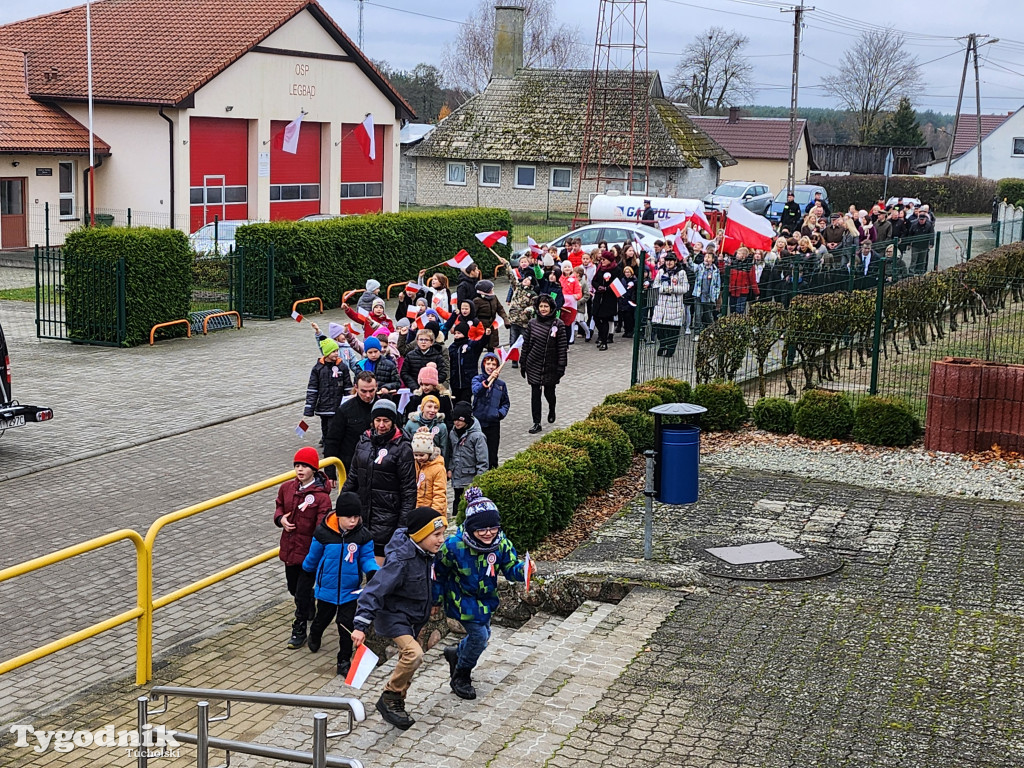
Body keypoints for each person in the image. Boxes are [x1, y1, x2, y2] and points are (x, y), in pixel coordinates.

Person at [351, 506, 448, 730]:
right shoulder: (401, 561)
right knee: (414, 654)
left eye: (442, 534)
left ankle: (398, 702)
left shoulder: (428, 553)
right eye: (436, 535)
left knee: (410, 662)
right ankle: (389, 696)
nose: (441, 540)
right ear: (420, 536)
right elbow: (373, 590)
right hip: (394, 617)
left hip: (414, 618)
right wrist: (360, 625)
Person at [435, 487, 533, 700]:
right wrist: (435, 599)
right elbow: (438, 573)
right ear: (470, 528)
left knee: (484, 636)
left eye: (493, 528)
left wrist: (524, 570)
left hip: (486, 601)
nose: (488, 533)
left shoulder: (501, 544)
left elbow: (510, 568)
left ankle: (456, 653)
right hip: (461, 599)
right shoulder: (454, 546)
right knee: (479, 637)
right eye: (481, 529)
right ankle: (461, 676)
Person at [302, 492, 379, 677]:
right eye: (348, 517)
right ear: (338, 515)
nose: (353, 521)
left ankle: (343, 660)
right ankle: (315, 632)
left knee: (346, 626)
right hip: (326, 590)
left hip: (350, 591)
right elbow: (313, 558)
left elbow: (367, 558)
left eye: (356, 517)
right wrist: (306, 573)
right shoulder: (323, 533)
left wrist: (372, 571)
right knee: (323, 617)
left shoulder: (363, 536)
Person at [342, 399, 417, 565]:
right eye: (378, 420)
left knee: (378, 573)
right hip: (362, 516)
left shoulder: (402, 448)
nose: (381, 425)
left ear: (393, 422)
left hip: (388, 519)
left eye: (386, 421)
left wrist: (402, 526)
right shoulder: (363, 441)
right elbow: (353, 476)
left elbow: (409, 490)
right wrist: (343, 505)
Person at [275, 447, 333, 650]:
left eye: (304, 466)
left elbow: (322, 525)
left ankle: (299, 628)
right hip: (289, 549)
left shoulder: (321, 497)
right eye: (297, 466)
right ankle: (308, 606)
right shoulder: (286, 488)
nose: (300, 470)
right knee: (293, 587)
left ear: (314, 469)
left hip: (309, 552)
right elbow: (279, 507)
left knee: (301, 590)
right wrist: (280, 519)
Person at [521, 294, 568, 434]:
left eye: (546, 306)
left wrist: (561, 366)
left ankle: (552, 408)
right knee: (535, 394)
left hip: (550, 365)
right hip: (533, 363)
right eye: (541, 306)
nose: (543, 309)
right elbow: (526, 344)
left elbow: (562, 347)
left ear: (551, 307)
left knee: (549, 392)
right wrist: (523, 362)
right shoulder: (532, 323)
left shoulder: (558, 324)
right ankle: (536, 422)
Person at [322, 371, 376, 482]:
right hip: (352, 466)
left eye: (371, 391)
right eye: (363, 391)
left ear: (376, 387)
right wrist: (330, 473)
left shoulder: (383, 406)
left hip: (378, 464)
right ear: (356, 388)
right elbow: (332, 441)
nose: (368, 395)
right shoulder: (345, 410)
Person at [304, 338, 353, 445]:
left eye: (337, 351)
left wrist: (349, 402)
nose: (336, 353)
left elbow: (348, 386)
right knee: (325, 425)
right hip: (323, 404)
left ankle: (330, 444)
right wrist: (309, 407)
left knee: (333, 425)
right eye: (333, 351)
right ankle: (326, 439)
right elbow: (312, 388)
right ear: (326, 353)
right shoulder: (318, 369)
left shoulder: (342, 367)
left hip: (337, 404)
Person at [447, 402, 489, 518]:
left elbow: (483, 461)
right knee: (457, 506)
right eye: (455, 420)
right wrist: (450, 468)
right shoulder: (453, 433)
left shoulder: (477, 436)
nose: (457, 423)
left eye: (460, 420)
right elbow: (451, 453)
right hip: (457, 478)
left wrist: (479, 480)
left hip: (471, 479)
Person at [471, 352, 510, 470]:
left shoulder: (501, 385)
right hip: (479, 424)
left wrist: (499, 414)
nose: (491, 366)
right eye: (488, 363)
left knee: (492, 455)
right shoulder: (477, 379)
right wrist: (488, 380)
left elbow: (505, 403)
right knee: (479, 454)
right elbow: (477, 391)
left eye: (494, 364)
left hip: (493, 424)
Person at [651, 251, 688, 356]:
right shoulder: (661, 271)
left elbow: (685, 288)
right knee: (660, 328)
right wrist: (663, 289)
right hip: (661, 304)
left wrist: (672, 289)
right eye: (667, 260)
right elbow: (655, 285)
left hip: (675, 304)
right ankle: (663, 344)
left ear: (675, 261)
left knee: (673, 329)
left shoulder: (681, 273)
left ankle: (671, 349)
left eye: (671, 261)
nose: (669, 263)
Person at [447, 319, 487, 405]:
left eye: (459, 333)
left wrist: (486, 335)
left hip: (468, 380)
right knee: (455, 403)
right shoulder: (452, 347)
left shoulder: (471, 345)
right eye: (455, 333)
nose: (457, 335)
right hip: (455, 382)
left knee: (466, 402)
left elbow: (481, 343)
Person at [590, 250, 623, 350]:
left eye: (604, 259)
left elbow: (617, 283)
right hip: (598, 297)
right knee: (595, 317)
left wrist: (607, 289)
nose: (602, 261)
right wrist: (598, 286)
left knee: (605, 319)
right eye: (601, 259)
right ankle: (601, 334)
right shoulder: (600, 268)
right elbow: (594, 281)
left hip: (609, 298)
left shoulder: (616, 269)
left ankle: (604, 341)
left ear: (609, 260)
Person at [411, 430, 447, 513]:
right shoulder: (416, 465)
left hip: (431, 510)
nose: (418, 458)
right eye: (416, 455)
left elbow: (439, 493)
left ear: (429, 453)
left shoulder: (438, 469)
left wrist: (434, 513)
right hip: (417, 509)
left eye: (422, 455)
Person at [473, 279, 510, 352]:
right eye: (491, 289)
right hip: (481, 326)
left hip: (492, 325)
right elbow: (473, 315)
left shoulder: (494, 298)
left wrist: (506, 320)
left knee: (492, 345)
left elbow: (500, 309)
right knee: (479, 345)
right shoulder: (477, 300)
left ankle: (491, 359)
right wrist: (478, 325)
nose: (493, 290)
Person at [692, 252, 721, 337]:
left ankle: (711, 331)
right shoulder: (700, 267)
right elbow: (692, 266)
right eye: (705, 257)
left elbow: (717, 285)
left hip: (709, 296)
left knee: (708, 315)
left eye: (709, 257)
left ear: (712, 260)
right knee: (698, 315)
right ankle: (697, 333)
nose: (706, 259)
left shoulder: (715, 270)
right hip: (699, 294)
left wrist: (715, 295)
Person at [907, 209, 935, 275]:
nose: (921, 221)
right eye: (920, 219)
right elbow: (910, 234)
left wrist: (931, 243)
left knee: (922, 260)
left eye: (923, 220)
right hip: (915, 245)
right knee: (914, 259)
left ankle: (921, 272)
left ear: (925, 219)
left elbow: (931, 234)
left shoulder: (929, 225)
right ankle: (911, 272)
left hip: (924, 245)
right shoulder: (914, 225)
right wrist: (908, 243)